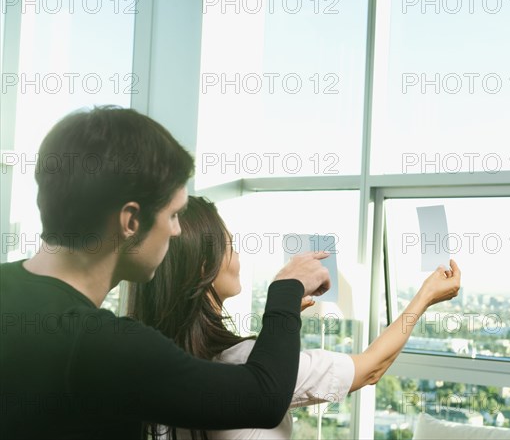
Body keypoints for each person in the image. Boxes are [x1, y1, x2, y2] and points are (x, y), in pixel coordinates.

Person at [0, 106, 332, 440]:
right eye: (173, 215)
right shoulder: (104, 345)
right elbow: (263, 397)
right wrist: (286, 292)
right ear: (131, 221)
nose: (175, 232)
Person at [129, 196, 462, 440]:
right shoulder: (248, 365)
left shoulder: (159, 361)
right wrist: (425, 298)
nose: (239, 256)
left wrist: (282, 328)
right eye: (231, 246)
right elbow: (373, 366)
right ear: (206, 266)